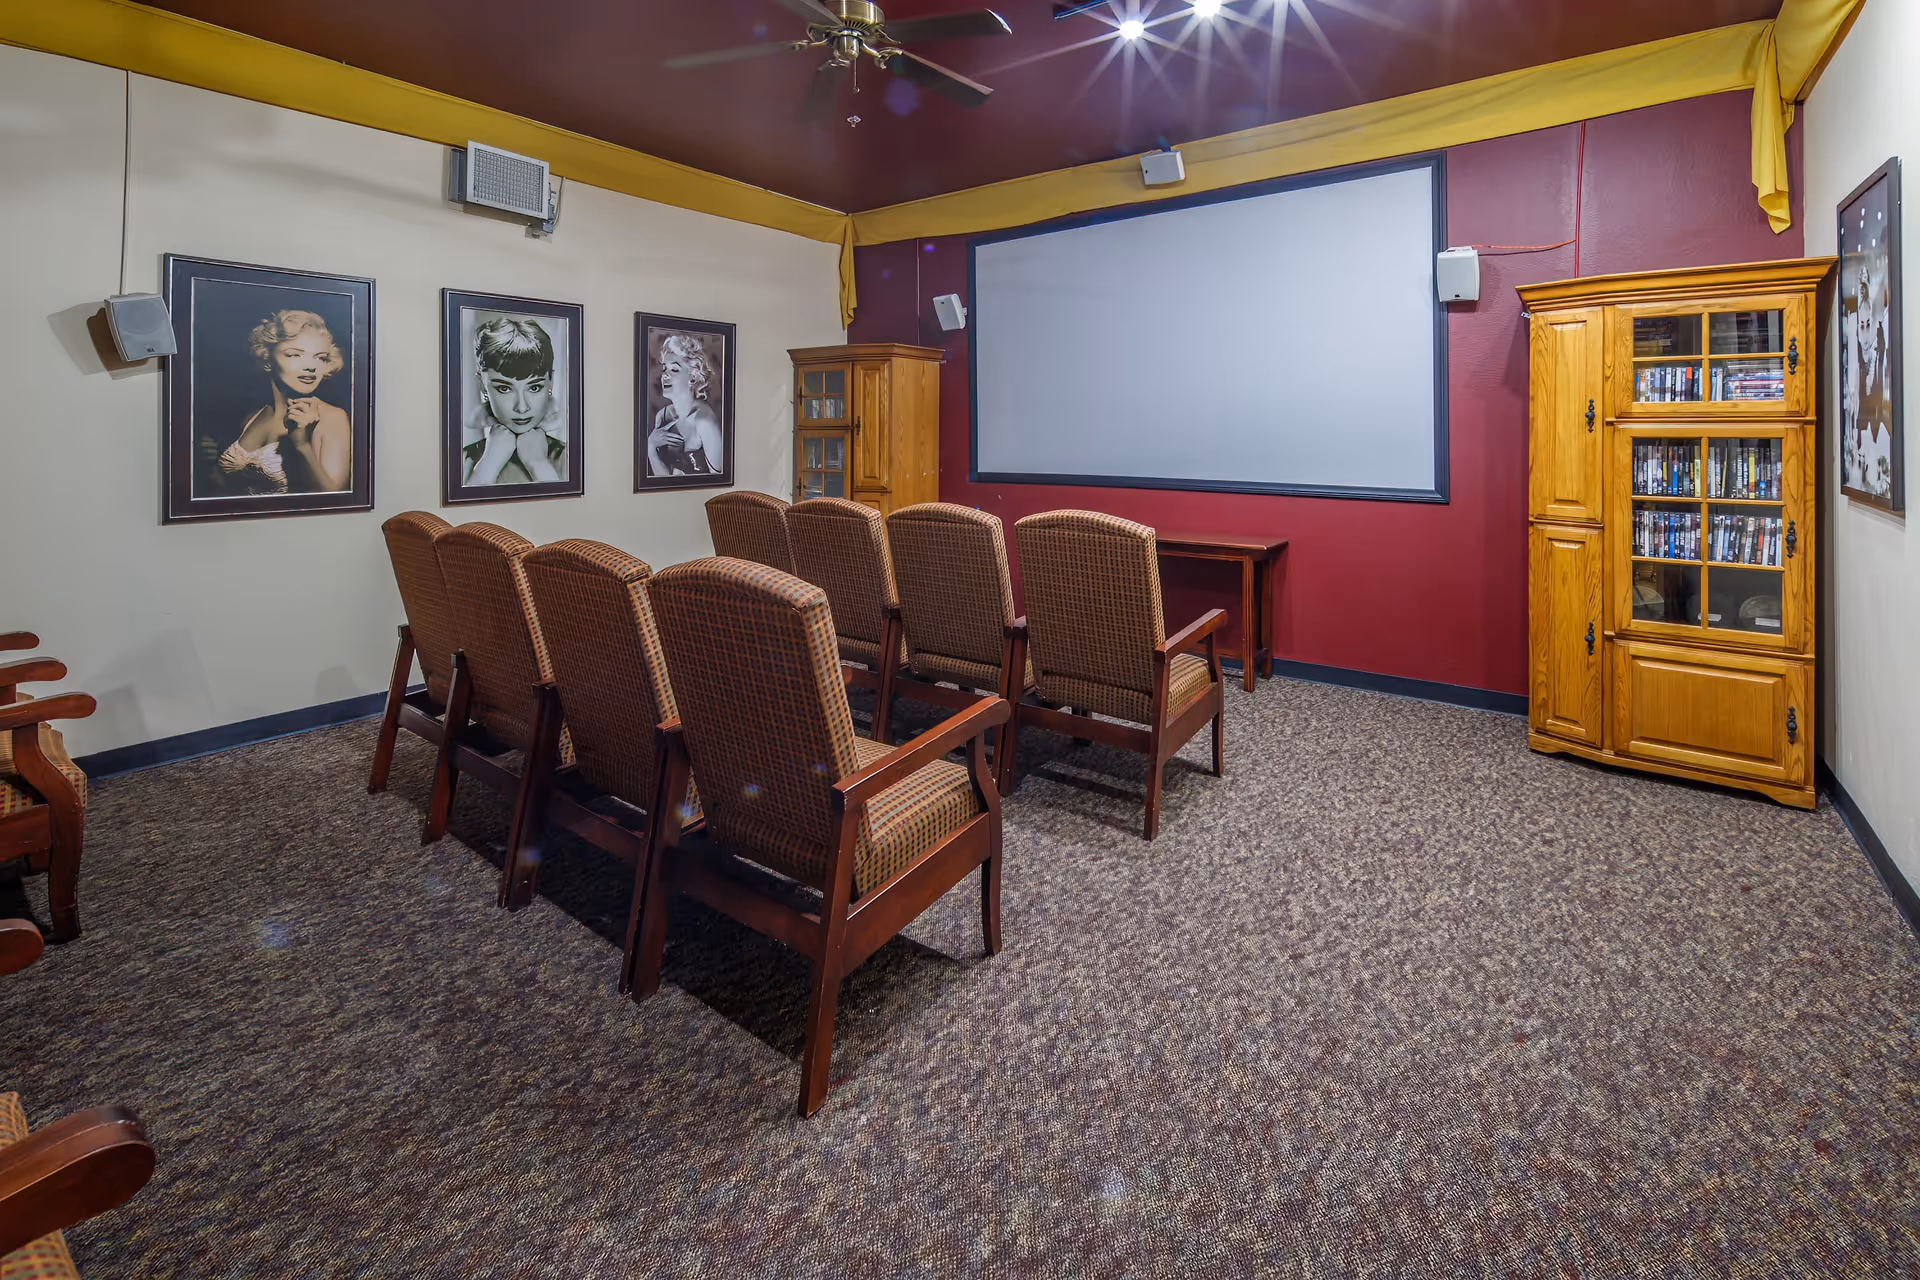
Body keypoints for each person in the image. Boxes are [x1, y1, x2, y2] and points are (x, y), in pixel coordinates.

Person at [215, 309, 352, 494]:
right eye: (295, 354)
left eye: (320, 357)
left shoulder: (331, 417)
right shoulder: (253, 416)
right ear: (267, 357)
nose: (311, 366)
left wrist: (301, 446)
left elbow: (334, 498)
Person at [463, 315, 565, 486]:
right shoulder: (461, 461)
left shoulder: (573, 459)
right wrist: (487, 467)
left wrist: (539, 465)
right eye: (504, 388)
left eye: (534, 388)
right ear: (482, 384)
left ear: (551, 382)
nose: (522, 407)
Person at [646, 333, 722, 477]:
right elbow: (664, 482)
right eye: (664, 369)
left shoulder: (704, 421)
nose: (665, 375)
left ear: (693, 377)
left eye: (674, 369)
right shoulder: (662, 416)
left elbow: (720, 484)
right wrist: (650, 447)